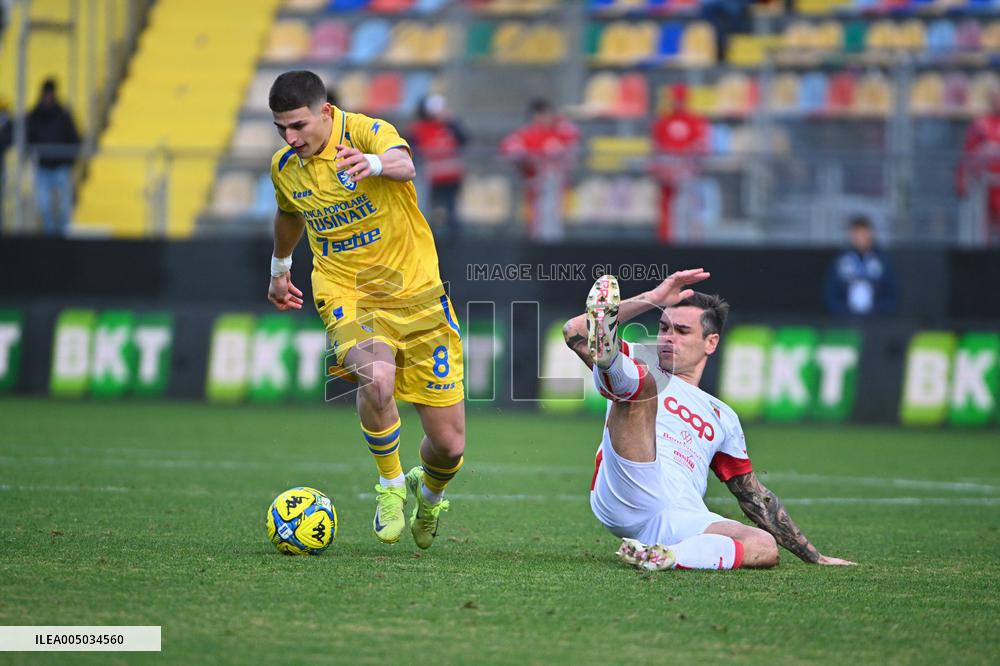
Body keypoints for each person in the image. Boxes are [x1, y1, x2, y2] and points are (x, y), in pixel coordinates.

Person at [266, 70, 464, 549]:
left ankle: (429, 495)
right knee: (376, 376)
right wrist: (279, 267)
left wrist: (372, 164)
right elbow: (290, 213)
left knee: (449, 445)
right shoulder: (286, 167)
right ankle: (391, 485)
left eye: (298, 126)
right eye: (281, 129)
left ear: (325, 112)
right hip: (346, 291)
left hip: (417, 294)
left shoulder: (365, 131)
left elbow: (404, 164)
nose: (291, 139)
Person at [561, 272, 856, 570]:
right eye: (663, 328)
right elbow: (575, 332)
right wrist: (653, 298)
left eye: (682, 331)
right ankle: (608, 358)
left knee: (763, 545)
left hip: (681, 514)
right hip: (629, 488)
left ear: (711, 342)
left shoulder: (723, 416)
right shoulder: (644, 361)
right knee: (643, 381)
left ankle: (666, 556)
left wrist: (814, 556)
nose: (668, 337)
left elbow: (753, 494)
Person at [500, 98, 579, 242]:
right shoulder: (525, 135)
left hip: (557, 184)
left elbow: (573, 136)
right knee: (537, 222)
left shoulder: (558, 132)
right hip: (535, 185)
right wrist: (529, 160)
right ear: (535, 116)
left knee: (555, 220)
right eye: (543, 114)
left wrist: (560, 119)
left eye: (549, 114)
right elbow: (510, 150)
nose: (548, 118)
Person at [650, 84, 708, 244]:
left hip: (688, 174)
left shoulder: (695, 121)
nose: (678, 103)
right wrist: (665, 166)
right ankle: (665, 241)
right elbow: (657, 148)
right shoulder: (663, 121)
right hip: (668, 174)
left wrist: (687, 162)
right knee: (666, 209)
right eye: (675, 99)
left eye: (680, 99)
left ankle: (694, 243)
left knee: (692, 210)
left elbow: (700, 147)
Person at [27, 78, 81, 236]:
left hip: (61, 167)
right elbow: (27, 138)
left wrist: (69, 161)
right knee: (44, 206)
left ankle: (63, 236)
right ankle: (50, 236)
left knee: (64, 207)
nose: (48, 97)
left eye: (50, 94)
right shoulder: (34, 115)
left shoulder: (63, 115)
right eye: (46, 94)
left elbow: (75, 139)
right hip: (42, 168)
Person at [408, 94, 466, 239]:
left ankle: (452, 238)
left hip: (451, 177)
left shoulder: (448, 127)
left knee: (451, 213)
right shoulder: (419, 129)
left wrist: (452, 121)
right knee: (428, 212)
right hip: (430, 179)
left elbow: (464, 139)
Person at [824, 215, 898, 316]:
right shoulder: (840, 261)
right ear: (851, 236)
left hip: (876, 318)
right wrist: (843, 312)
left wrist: (878, 311)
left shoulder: (882, 261)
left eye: (863, 234)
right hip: (845, 318)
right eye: (857, 234)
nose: (860, 238)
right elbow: (830, 292)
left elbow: (892, 293)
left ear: (870, 234)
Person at [958, 88, 1000, 244]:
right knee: (982, 233)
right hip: (984, 187)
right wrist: (962, 182)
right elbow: (968, 154)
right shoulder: (980, 125)